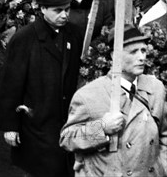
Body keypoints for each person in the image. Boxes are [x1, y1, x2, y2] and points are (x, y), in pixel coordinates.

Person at [60, 25, 167, 177]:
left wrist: (162, 167)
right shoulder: (88, 95)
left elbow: (164, 133)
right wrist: (101, 128)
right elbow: (67, 139)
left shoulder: (155, 87)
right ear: (114, 56)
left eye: (143, 50)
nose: (142, 57)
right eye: (133, 52)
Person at [0, 0, 83, 177]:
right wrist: (10, 125)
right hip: (35, 119)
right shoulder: (25, 38)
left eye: (67, 10)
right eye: (58, 10)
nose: (64, 15)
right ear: (43, 9)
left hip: (65, 117)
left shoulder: (74, 34)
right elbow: (10, 83)